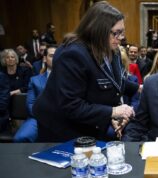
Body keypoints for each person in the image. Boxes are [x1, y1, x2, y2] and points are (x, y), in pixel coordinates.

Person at [33, 1, 138, 142]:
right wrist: (112, 112)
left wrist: (139, 89)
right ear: (98, 30)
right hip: (61, 127)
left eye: (122, 32)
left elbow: (111, 82)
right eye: (116, 33)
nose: (121, 37)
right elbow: (71, 106)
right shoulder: (72, 54)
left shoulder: (111, 49)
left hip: (90, 123)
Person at [14, 46, 57, 142]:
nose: (56, 59)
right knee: (21, 138)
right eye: (52, 56)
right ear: (45, 59)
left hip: (65, 119)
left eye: (59, 56)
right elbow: (31, 105)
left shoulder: (71, 79)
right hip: (38, 118)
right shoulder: (35, 80)